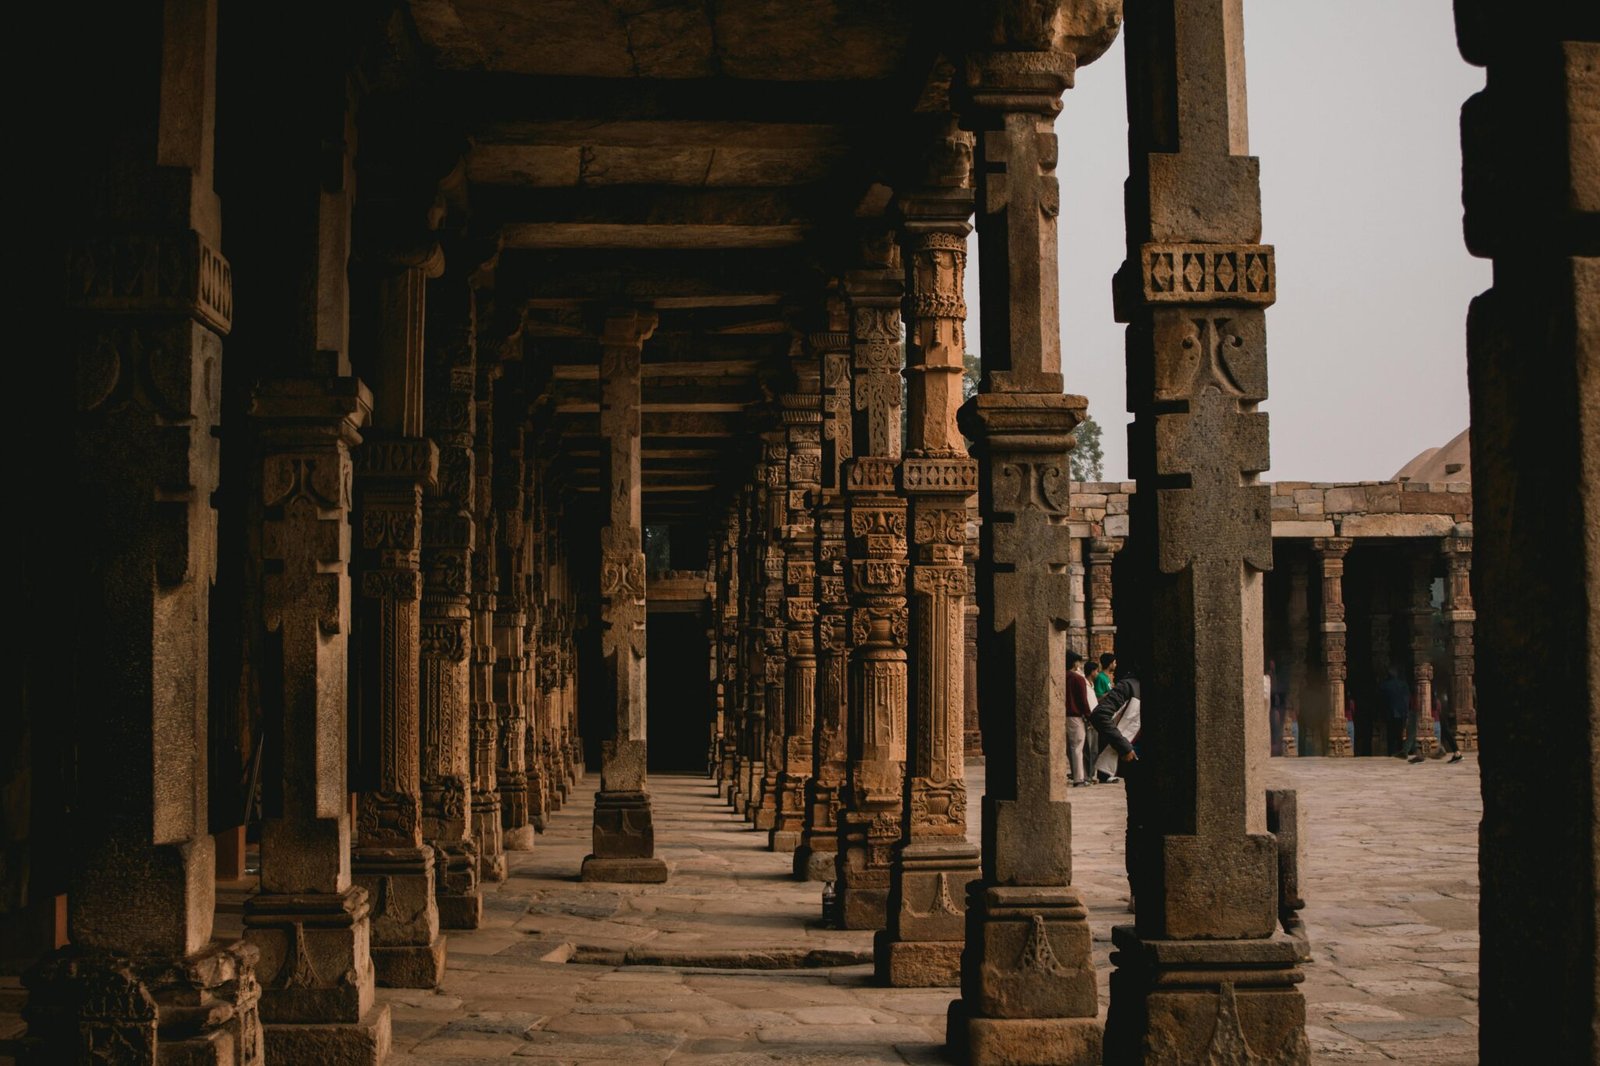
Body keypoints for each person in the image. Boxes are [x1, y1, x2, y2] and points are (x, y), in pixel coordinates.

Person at [1089, 663, 1142, 910]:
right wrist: (1124, 746)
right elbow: (1099, 714)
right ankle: (1138, 889)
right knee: (1139, 826)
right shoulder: (1129, 686)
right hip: (1138, 765)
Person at [1064, 651, 1092, 786]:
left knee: (1065, 748)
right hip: (1074, 716)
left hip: (1059, 715)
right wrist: (1088, 715)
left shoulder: (1059, 676)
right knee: (1077, 748)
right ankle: (1079, 778)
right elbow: (1083, 700)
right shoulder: (1077, 679)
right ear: (1075, 663)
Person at [1435, 691, 1462, 763]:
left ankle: (1457, 753)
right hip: (1440, 718)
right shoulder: (1438, 701)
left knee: (1447, 734)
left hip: (1438, 719)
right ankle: (1456, 752)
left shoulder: (1435, 701)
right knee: (1447, 734)